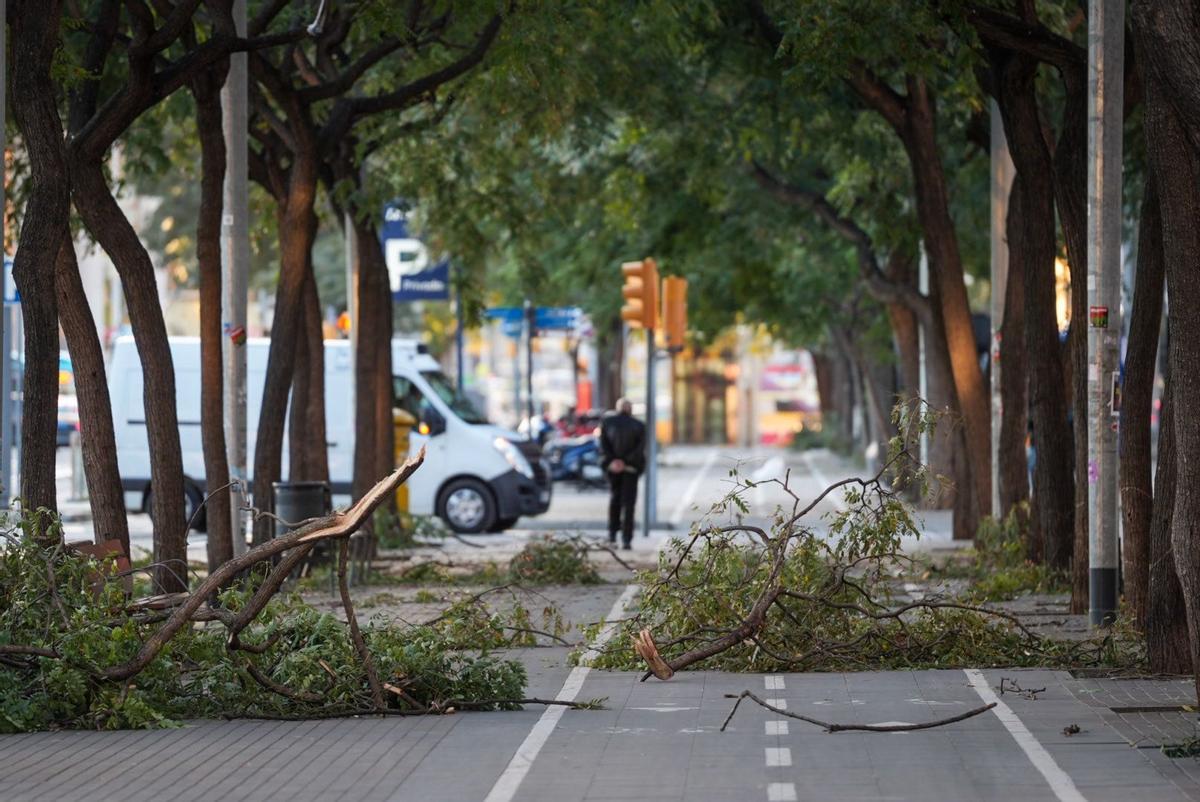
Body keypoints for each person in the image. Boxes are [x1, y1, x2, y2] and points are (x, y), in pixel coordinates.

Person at [599, 398, 645, 549]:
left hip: (613, 468)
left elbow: (603, 445)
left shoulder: (607, 423)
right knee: (629, 504)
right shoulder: (638, 425)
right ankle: (626, 538)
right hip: (630, 469)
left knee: (614, 500)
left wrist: (614, 461)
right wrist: (625, 461)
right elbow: (640, 449)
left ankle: (612, 534)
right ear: (630, 409)